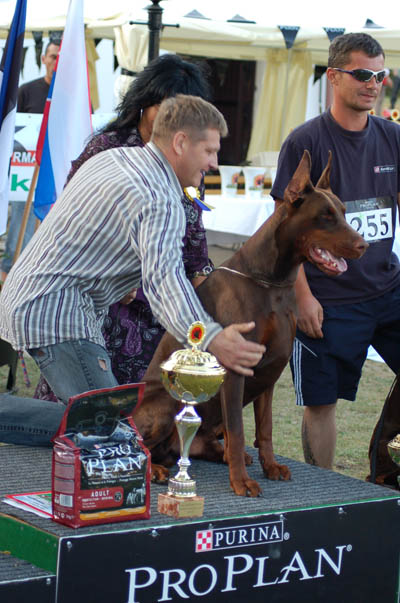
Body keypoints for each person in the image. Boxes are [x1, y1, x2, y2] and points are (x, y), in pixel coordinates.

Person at [0, 94, 266, 446]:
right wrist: (212, 338)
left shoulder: (115, 157)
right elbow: (166, 284)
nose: (215, 163)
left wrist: (115, 277)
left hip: (36, 297)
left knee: (101, 427)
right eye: (209, 151)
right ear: (180, 142)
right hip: (57, 312)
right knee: (108, 430)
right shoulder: (159, 197)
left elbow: (81, 226)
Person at [34, 53, 215, 399]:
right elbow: (69, 222)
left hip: (158, 306)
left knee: (144, 410)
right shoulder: (106, 148)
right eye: (168, 108)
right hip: (99, 301)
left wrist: (209, 292)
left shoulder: (188, 161)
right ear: (145, 102)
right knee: (81, 405)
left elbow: (193, 238)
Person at [271, 33, 400, 470]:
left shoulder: (393, 137)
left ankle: (385, 470)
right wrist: (303, 298)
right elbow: (283, 233)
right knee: (322, 402)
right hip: (329, 300)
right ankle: (323, 491)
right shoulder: (304, 141)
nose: (373, 84)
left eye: (380, 75)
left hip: (388, 288)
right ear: (334, 76)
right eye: (362, 74)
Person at [1, 40, 60, 281]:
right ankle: (9, 271)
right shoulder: (26, 91)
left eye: (60, 57)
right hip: (24, 172)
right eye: (53, 56)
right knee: (20, 220)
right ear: (44, 59)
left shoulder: (71, 95)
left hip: (55, 174)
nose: (56, 62)